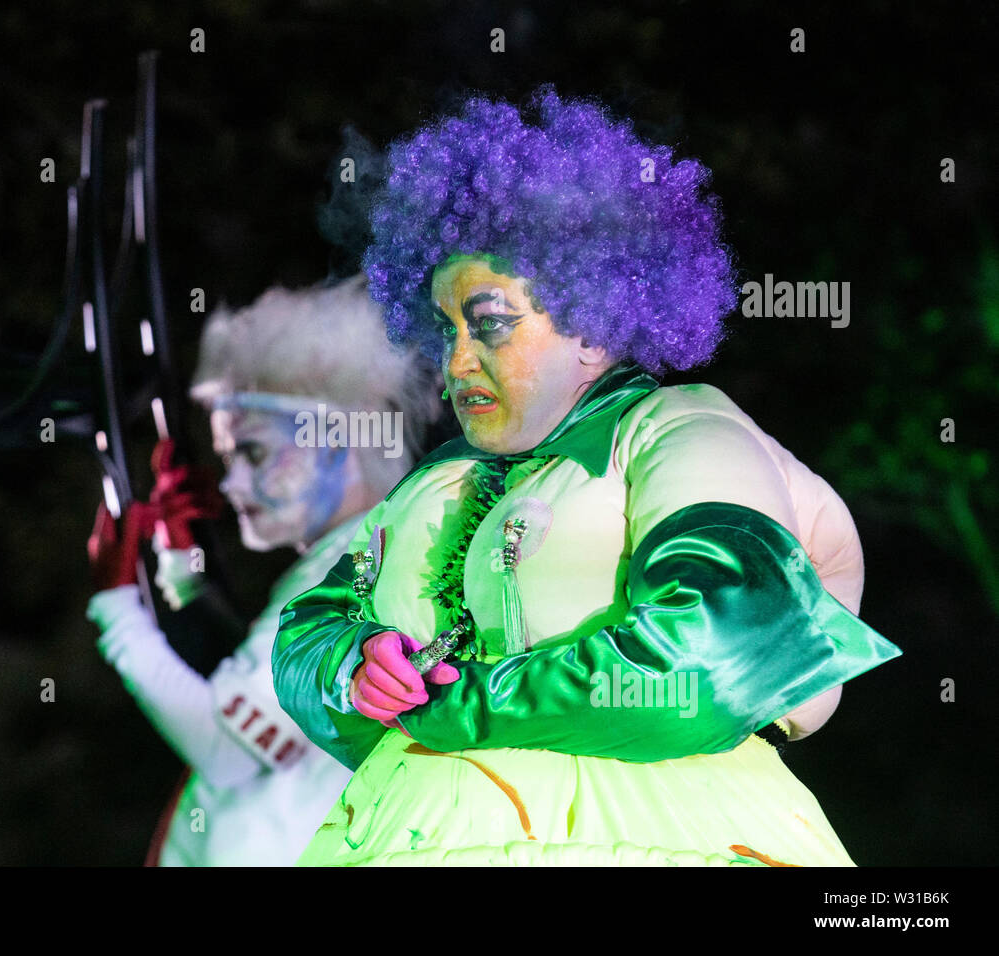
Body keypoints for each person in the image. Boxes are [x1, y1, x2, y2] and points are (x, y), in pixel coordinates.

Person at [272, 89, 901, 866]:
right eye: (447, 330)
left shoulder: (683, 428)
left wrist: (458, 703)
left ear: (595, 327)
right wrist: (353, 668)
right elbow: (308, 631)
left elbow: (713, 652)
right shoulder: (435, 483)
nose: (457, 360)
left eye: (491, 323)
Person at [87, 274, 440, 865]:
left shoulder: (356, 568)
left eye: (252, 452)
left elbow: (229, 748)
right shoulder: (369, 551)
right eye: (228, 458)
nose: (231, 484)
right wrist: (182, 571)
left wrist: (114, 608)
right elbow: (261, 693)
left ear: (336, 439)